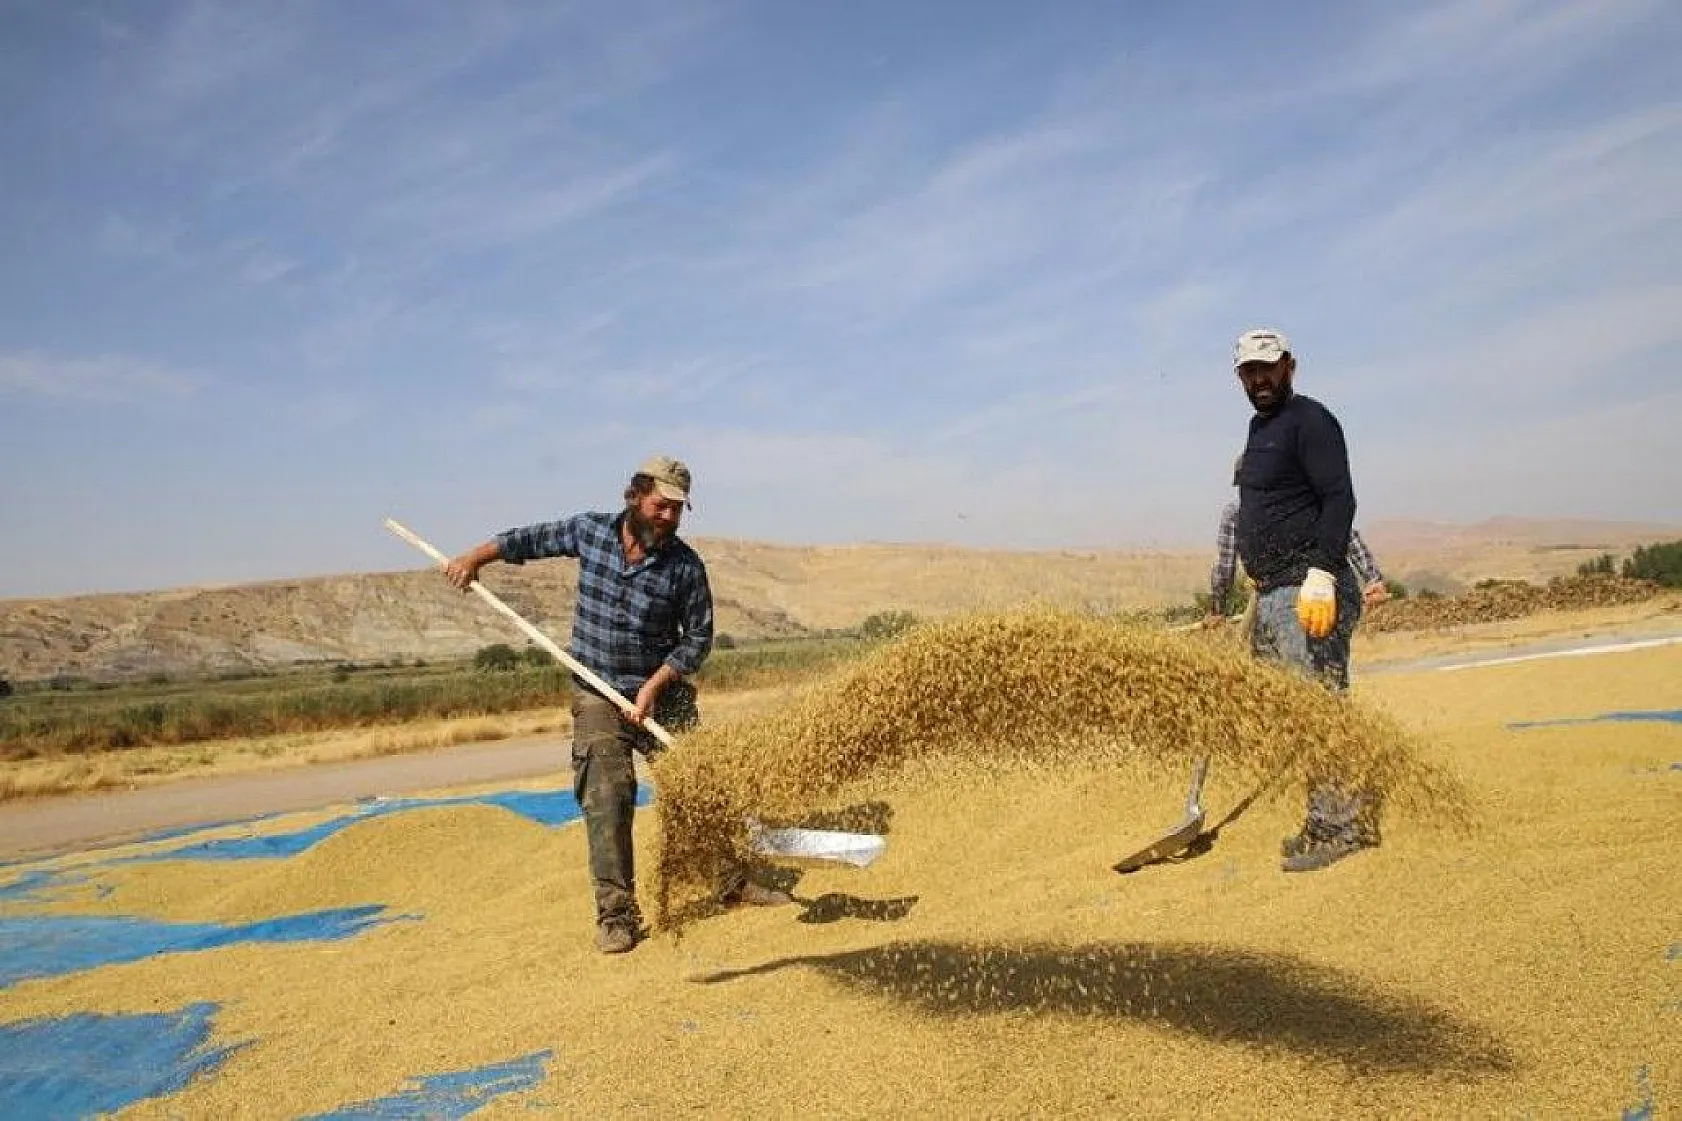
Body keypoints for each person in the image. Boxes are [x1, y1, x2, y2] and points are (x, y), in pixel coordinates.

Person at [442, 455, 790, 955]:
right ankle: (617, 915)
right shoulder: (590, 532)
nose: (668, 517)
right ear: (634, 496)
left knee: (700, 783)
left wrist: (654, 686)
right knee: (608, 794)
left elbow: (698, 639)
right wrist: (475, 559)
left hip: (661, 693)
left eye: (678, 510)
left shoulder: (685, 567)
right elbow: (526, 541)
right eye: (660, 505)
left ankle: (732, 878)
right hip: (598, 690)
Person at [1229, 328, 1382, 873]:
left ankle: (1345, 826)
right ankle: (1322, 818)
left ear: (1290, 366)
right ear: (1239, 376)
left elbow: (1340, 497)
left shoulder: (1310, 421)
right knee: (1296, 713)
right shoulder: (1259, 428)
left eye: (1268, 367)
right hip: (1272, 594)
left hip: (1308, 591)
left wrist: (1322, 571)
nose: (1260, 379)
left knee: (1320, 707)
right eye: (1250, 370)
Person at [1208, 456, 1392, 620]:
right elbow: (1347, 536)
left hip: (1287, 599)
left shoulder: (1236, 514)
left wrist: (1217, 608)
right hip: (1321, 594)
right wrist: (1373, 579)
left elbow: (1225, 567)